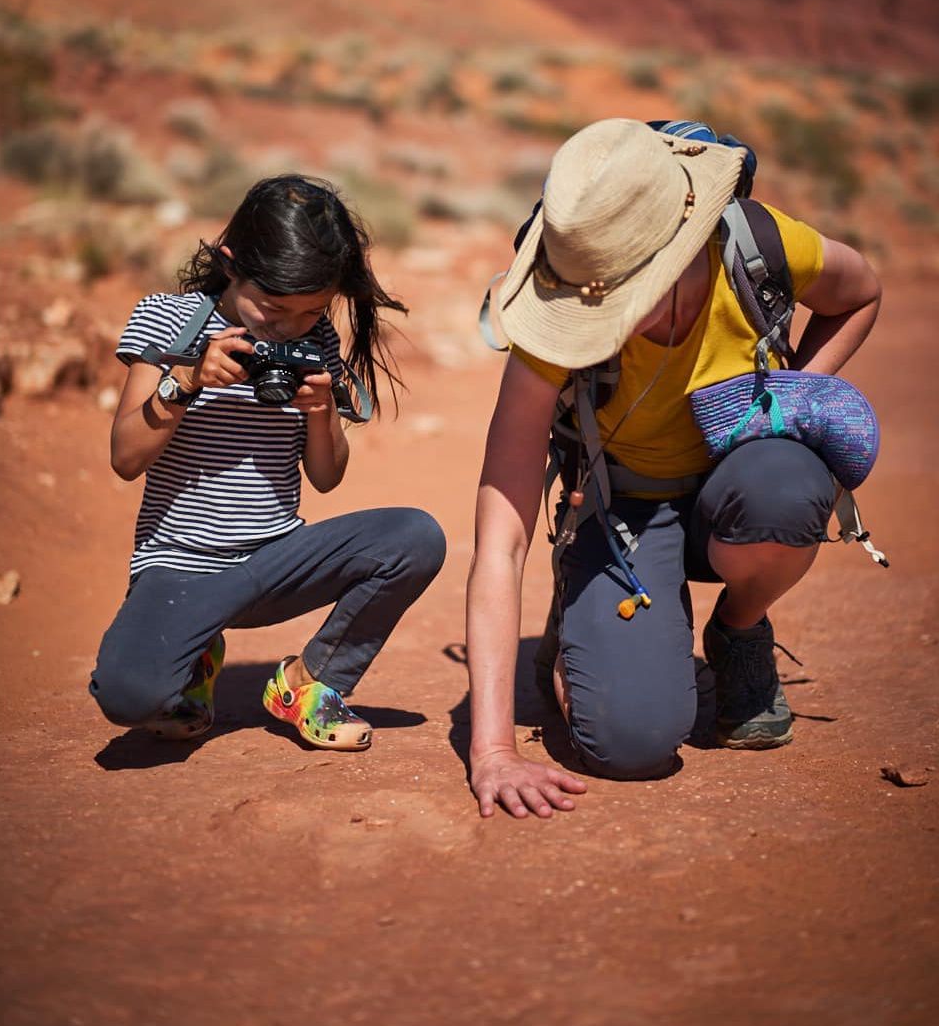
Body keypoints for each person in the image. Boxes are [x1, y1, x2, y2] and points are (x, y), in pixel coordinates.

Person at [466, 118, 881, 818]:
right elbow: (498, 541)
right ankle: (581, 623)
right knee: (632, 743)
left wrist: (788, 397)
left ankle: (739, 630)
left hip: (738, 484)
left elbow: (861, 293)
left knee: (788, 487)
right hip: (620, 504)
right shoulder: (559, 303)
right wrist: (494, 751)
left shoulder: (757, 244)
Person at [90, 174, 446, 747]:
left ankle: (308, 682)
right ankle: (197, 660)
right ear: (231, 264)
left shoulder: (316, 338)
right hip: (181, 565)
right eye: (274, 308)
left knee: (415, 537)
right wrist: (185, 382)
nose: (288, 326)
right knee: (129, 697)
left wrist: (322, 410)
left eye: (312, 312)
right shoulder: (167, 319)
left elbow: (327, 479)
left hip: (275, 560)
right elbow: (125, 458)